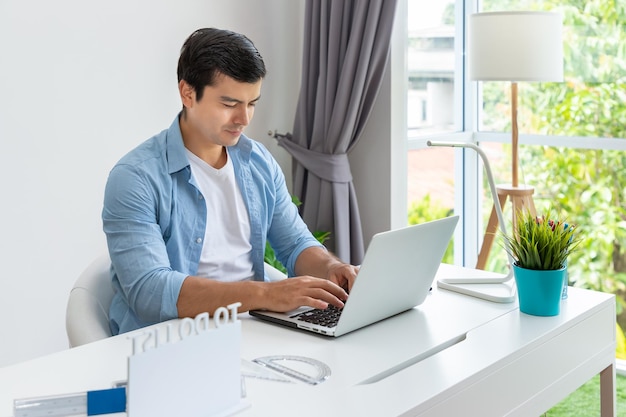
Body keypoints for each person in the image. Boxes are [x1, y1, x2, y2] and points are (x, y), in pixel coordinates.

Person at [102, 27, 358, 335]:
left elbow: (295, 243)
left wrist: (331, 269)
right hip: (170, 340)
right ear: (187, 93)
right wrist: (264, 295)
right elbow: (150, 290)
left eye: (251, 103)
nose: (244, 119)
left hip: (254, 332)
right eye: (229, 104)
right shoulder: (135, 178)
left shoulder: (258, 161)